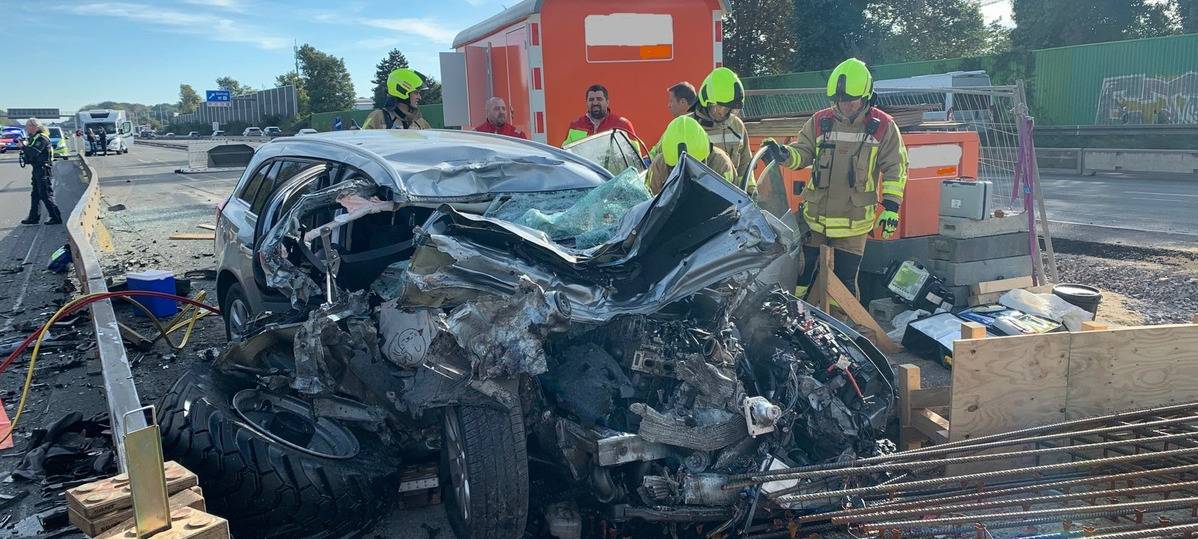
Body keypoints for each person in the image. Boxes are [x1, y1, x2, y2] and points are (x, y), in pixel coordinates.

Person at [761, 58, 908, 299]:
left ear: (867, 95)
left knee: (843, 288)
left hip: (853, 224)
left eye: (851, 100)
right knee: (800, 277)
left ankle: (840, 331)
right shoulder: (820, 121)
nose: (845, 106)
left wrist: (891, 207)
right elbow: (803, 152)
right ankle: (794, 323)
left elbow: (896, 167)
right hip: (814, 219)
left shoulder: (883, 127)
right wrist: (785, 154)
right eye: (840, 100)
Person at [645, 115, 735, 195]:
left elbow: (730, 204)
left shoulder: (721, 164)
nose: (686, 174)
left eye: (694, 167)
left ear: (708, 152)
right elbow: (651, 203)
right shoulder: (659, 166)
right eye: (676, 169)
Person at [18, 119, 63, 225]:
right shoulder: (33, 138)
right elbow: (30, 155)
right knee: (35, 194)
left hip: (43, 169)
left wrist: (23, 147)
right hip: (37, 169)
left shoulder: (42, 138)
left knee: (45, 194)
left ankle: (56, 217)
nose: (26, 128)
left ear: (35, 127)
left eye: (28, 126)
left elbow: (34, 152)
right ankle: (33, 217)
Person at [563, 84, 638, 146]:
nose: (595, 103)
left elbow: (636, 158)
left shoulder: (623, 125)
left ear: (607, 102)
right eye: (591, 100)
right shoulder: (576, 125)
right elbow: (565, 155)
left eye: (599, 99)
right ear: (586, 102)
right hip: (583, 165)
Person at [363, 68, 431, 130]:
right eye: (416, 93)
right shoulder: (377, 117)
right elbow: (363, 141)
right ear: (402, 91)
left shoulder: (420, 122)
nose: (419, 97)